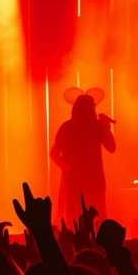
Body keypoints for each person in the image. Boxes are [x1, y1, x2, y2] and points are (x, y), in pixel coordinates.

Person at [50, 88, 116, 220]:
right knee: (92, 216)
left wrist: (68, 168)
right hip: (88, 181)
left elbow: (54, 153)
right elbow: (111, 147)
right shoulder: (91, 126)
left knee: (78, 218)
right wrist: (68, 169)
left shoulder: (70, 126)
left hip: (87, 181)